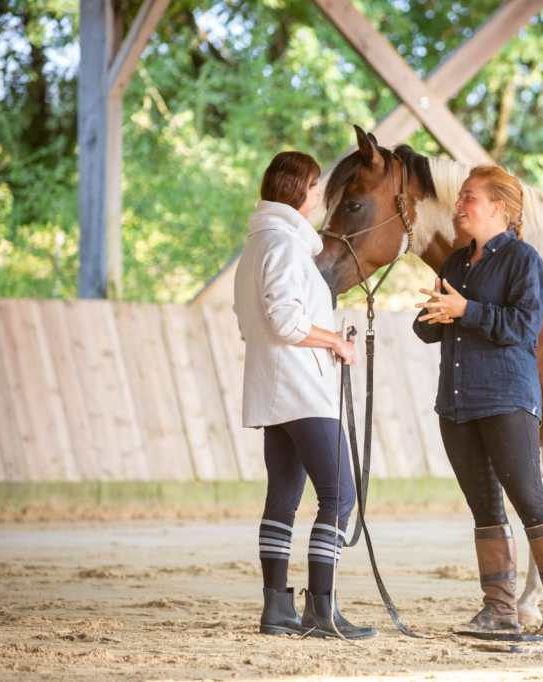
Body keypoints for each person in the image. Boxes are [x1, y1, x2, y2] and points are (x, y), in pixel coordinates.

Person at [412, 165, 543, 637]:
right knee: (484, 509)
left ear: (499, 208)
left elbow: (524, 329)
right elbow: (425, 329)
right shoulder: (454, 264)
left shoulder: (524, 261)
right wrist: (436, 315)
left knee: (529, 498)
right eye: (460, 197)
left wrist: (465, 310)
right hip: (457, 403)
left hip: (506, 399)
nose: (459, 205)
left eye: (469, 197)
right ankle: (499, 610)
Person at [233, 150, 375, 640]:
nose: (318, 196)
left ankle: (277, 609)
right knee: (340, 494)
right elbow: (285, 320)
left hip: (276, 387)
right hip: (302, 388)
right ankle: (322, 609)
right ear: (299, 191)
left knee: (284, 499)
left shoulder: (258, 245)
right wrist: (335, 341)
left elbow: (253, 319)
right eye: (315, 187)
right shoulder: (285, 246)